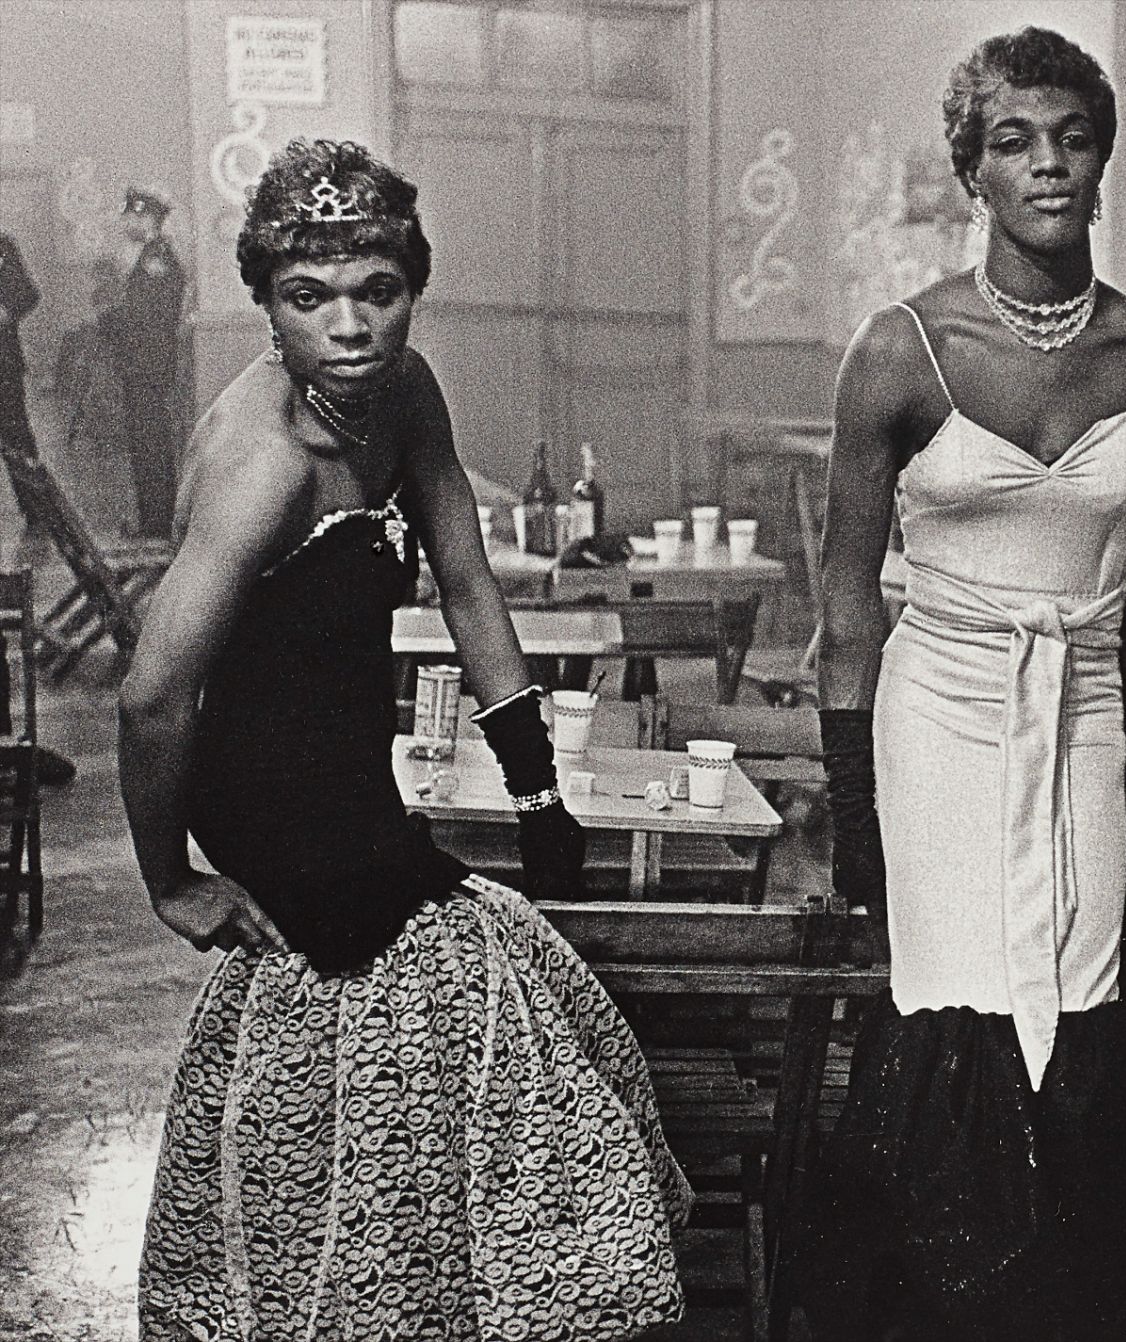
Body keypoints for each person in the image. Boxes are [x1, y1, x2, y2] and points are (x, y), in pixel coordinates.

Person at [119, 138, 689, 1340]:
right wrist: (171, 880)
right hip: (274, 803)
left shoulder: (406, 390)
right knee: (457, 1016)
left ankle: (414, 1297)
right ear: (265, 304)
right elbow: (151, 693)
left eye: (377, 290)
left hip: (353, 779)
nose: (350, 326)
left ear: (411, 290)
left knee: (476, 1014)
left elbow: (470, 584)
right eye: (307, 298)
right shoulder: (262, 463)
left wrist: (538, 794)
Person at [801, 27, 1126, 1341]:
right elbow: (849, 606)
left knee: (1079, 1004)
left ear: (1103, 159)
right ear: (970, 169)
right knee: (954, 1005)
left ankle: (1075, 1310)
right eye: (1014, 141)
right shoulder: (898, 353)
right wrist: (858, 810)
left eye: (1072, 138)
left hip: (1086, 702)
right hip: (937, 709)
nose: (1048, 165)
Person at [0, 228, 78, 788]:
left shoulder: (2, 243)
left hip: (3, 363)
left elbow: (29, 293)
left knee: (19, 446)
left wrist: (7, 307)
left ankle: (36, 513)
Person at [101, 187, 185, 539]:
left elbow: (147, 316)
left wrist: (110, 320)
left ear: (148, 219)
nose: (125, 222)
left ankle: (156, 525)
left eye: (131, 216)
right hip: (144, 364)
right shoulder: (151, 255)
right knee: (146, 443)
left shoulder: (156, 258)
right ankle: (153, 521)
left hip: (147, 366)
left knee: (150, 445)